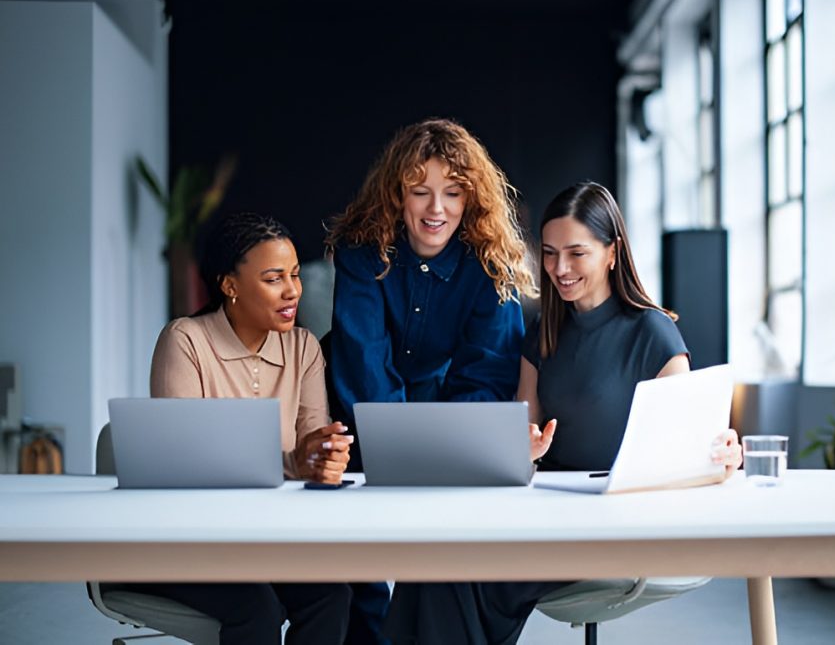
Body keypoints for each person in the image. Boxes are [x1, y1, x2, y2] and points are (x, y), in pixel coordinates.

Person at [383, 181, 742, 644]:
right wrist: (524, 450)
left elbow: (683, 455)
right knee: (435, 553)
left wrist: (721, 457)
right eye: (550, 254)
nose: (560, 268)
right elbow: (523, 441)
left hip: (611, 522)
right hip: (544, 511)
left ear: (612, 252)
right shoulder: (543, 331)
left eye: (577, 253)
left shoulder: (653, 334)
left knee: (462, 571)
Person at [324, 118, 538, 641]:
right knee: (359, 569)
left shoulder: (492, 264)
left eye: (452, 193)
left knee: (446, 550)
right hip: (354, 406)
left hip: (445, 409)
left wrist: (448, 449)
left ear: (471, 199)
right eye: (420, 192)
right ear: (397, 194)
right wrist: (398, 450)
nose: (435, 209)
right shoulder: (361, 251)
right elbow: (363, 361)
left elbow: (486, 373)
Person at [132, 212, 355, 645]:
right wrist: (294, 462)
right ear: (229, 285)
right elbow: (185, 462)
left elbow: (312, 448)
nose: (293, 290)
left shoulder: (303, 347)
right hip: (187, 541)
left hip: (268, 539)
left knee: (332, 595)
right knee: (257, 610)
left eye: (294, 274)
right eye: (274, 279)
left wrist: (325, 460)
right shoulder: (185, 341)